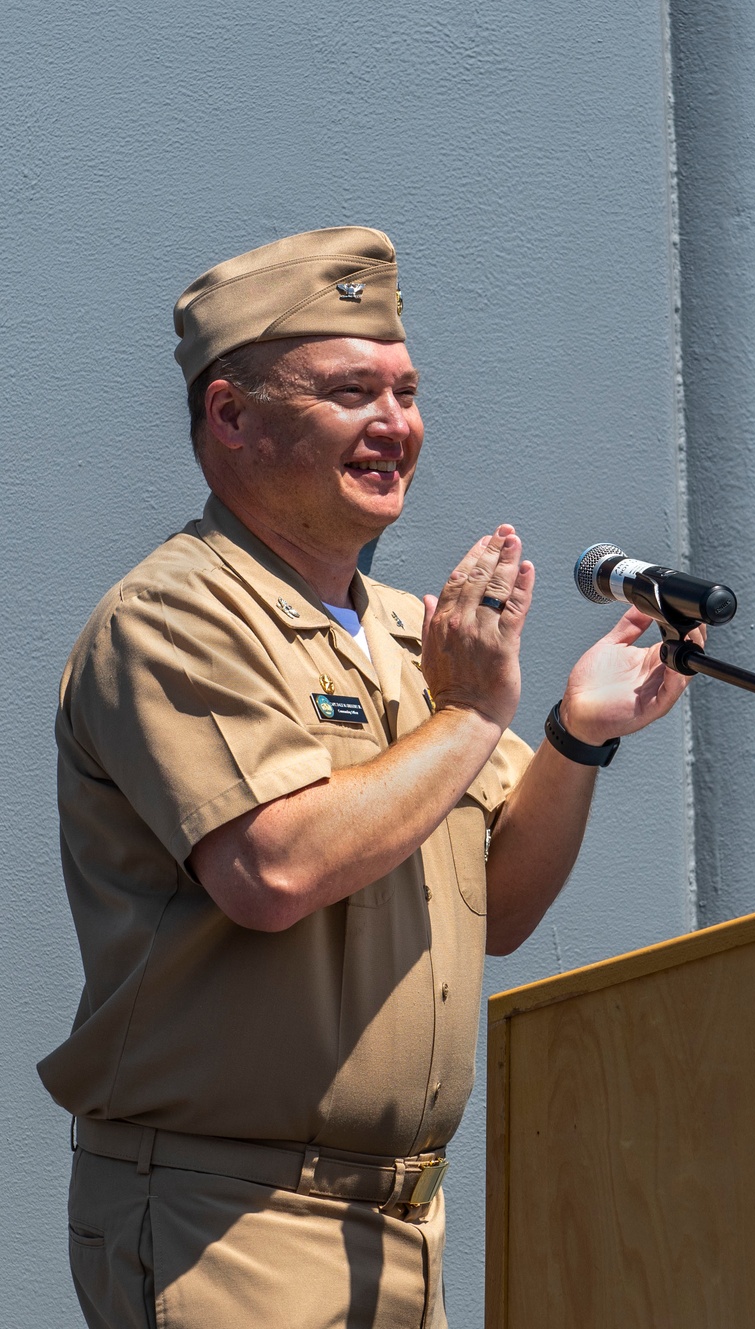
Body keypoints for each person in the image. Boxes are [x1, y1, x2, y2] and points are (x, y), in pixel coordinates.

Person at [39, 227, 700, 1329]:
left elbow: (500, 907)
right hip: (232, 1218)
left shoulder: (414, 636)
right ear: (233, 417)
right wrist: (475, 712)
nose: (396, 424)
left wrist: (577, 735)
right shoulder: (176, 616)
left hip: (399, 1224)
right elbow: (272, 872)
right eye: (352, 392)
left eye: (405, 389)